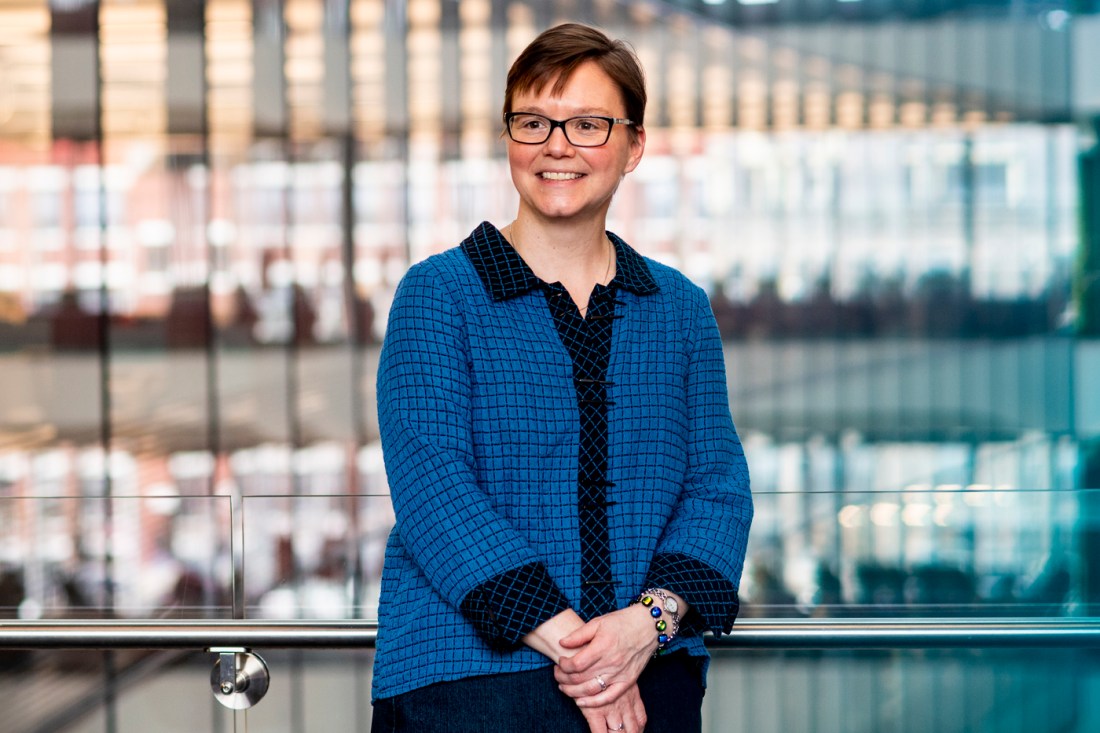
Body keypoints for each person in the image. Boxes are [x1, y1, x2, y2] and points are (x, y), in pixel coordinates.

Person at [371, 22, 752, 733]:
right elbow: (432, 485)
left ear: (633, 145)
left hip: (653, 677)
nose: (557, 145)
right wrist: (587, 653)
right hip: (467, 685)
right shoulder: (438, 294)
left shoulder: (679, 309)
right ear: (508, 136)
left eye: (587, 124)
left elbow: (718, 489)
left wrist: (642, 628)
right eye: (534, 121)